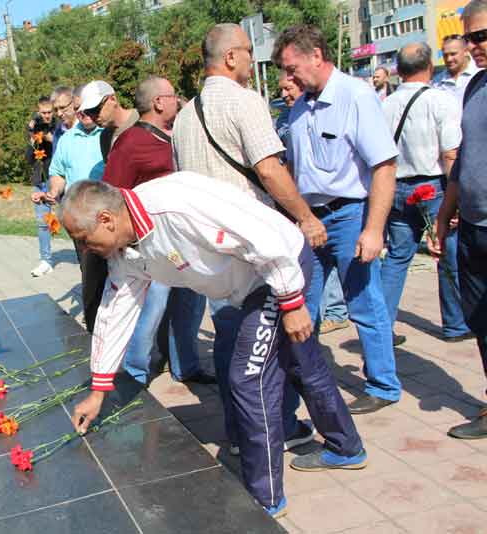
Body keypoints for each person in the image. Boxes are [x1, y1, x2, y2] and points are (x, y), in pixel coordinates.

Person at [64, 177, 365, 518]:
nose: (85, 249)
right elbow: (115, 310)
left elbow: (260, 236)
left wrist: (291, 300)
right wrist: (100, 389)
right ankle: (347, 447)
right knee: (301, 361)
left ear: (106, 219)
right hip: (250, 285)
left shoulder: (174, 207)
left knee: (248, 379)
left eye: (84, 240)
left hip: (276, 268)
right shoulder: (124, 251)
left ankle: (264, 499)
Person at [173, 23, 328, 455]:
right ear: (229, 58)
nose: (250, 59)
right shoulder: (245, 101)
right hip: (251, 240)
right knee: (268, 341)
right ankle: (273, 425)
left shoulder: (184, 116)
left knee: (228, 336)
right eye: (246, 50)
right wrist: (305, 217)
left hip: (208, 246)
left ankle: (239, 431)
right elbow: (269, 169)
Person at [273, 24, 401, 415]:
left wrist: (374, 229)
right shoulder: (298, 109)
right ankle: (305, 383)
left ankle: (382, 385)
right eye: (284, 70)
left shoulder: (356, 96)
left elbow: (383, 165)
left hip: (348, 216)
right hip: (309, 220)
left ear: (316, 56)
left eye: (292, 68)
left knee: (363, 302)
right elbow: (293, 169)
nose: (288, 77)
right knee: (303, 305)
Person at [103, 75, 214, 386]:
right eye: (172, 95)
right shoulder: (130, 142)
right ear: (157, 102)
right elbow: (114, 193)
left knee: (190, 304)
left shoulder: (175, 133)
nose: (177, 99)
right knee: (152, 309)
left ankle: (186, 366)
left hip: (185, 238)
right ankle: (134, 374)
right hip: (153, 242)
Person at [381, 42, 471, 344]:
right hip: (433, 186)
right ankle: (456, 324)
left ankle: (382, 326)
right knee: (447, 253)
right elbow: (450, 154)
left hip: (395, 187)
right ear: (429, 66)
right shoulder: (441, 101)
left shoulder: (386, 104)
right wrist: (455, 200)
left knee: (396, 258)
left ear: (399, 70)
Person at [428, 0, 487, 439]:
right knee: (480, 322)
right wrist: (446, 213)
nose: (474, 46)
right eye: (470, 37)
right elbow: (464, 157)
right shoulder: (474, 87)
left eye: (482, 36)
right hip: (472, 227)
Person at [277, 72, 350, 335]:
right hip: (305, 210)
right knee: (310, 283)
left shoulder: (340, 104)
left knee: (359, 293)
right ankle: (307, 361)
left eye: (287, 88)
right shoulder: (289, 117)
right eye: (281, 90)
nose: (284, 94)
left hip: (341, 209)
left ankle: (338, 312)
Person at [42, 86, 106, 333]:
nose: (80, 113)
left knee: (118, 273)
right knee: (89, 272)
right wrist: (54, 191)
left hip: (110, 216)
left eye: (67, 107)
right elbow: (57, 172)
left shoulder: (107, 133)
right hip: (80, 219)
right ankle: (95, 327)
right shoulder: (67, 139)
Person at [27, 96, 58, 278]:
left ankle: (88, 255)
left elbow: (64, 147)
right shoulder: (34, 126)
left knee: (75, 217)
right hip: (41, 179)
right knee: (42, 222)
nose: (46, 116)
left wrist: (50, 138)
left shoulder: (60, 126)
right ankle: (46, 261)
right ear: (38, 111)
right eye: (43, 112)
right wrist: (33, 140)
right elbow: (29, 158)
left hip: (59, 179)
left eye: (49, 112)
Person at [433, 34, 483, 104]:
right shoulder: (436, 82)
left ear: (466, 52)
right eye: (445, 55)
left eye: (453, 54)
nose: (449, 59)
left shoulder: (481, 74)